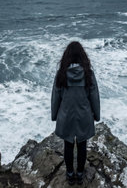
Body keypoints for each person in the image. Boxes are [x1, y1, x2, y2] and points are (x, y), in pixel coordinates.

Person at [51, 41, 101, 186]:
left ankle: (69, 174)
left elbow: (56, 97)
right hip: (84, 115)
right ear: (82, 57)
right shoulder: (88, 74)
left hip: (66, 115)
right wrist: (96, 115)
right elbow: (94, 97)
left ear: (66, 57)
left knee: (67, 144)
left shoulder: (61, 74)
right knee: (82, 144)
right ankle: (79, 174)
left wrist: (55, 115)